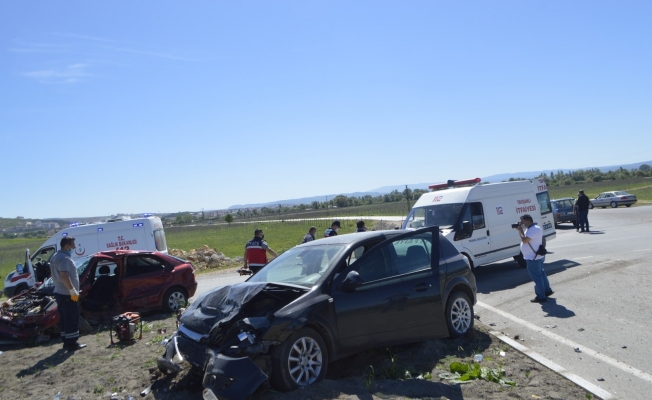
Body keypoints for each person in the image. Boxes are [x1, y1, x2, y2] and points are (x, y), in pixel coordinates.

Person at [50, 236, 86, 351]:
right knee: (71, 318)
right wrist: (72, 291)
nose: (74, 247)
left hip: (60, 293)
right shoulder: (64, 258)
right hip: (67, 294)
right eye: (73, 245)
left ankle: (66, 341)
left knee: (64, 319)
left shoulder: (55, 256)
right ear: (67, 246)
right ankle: (72, 343)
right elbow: (64, 275)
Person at [514, 214, 553, 303]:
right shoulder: (533, 228)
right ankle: (547, 290)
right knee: (541, 274)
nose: (520, 224)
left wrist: (520, 231)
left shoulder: (534, 229)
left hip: (533, 258)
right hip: (536, 256)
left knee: (537, 277)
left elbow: (524, 241)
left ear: (528, 221)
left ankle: (541, 296)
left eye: (522, 222)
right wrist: (522, 230)